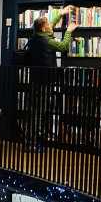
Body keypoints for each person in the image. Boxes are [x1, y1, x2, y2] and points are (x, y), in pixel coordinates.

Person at [21, 8, 76, 152]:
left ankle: (31, 140)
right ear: (44, 28)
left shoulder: (35, 37)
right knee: (39, 112)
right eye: (48, 24)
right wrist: (69, 31)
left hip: (34, 79)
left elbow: (50, 24)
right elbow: (63, 46)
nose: (50, 25)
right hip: (44, 80)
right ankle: (33, 143)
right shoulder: (47, 41)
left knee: (33, 110)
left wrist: (60, 13)